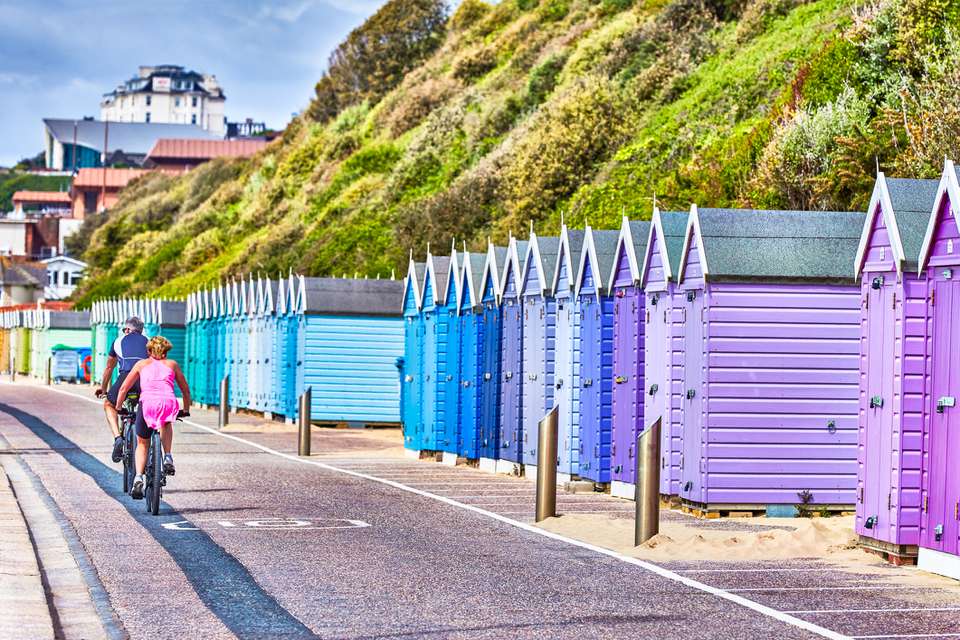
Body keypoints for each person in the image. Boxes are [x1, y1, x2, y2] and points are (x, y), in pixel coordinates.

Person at [115, 336, 191, 499]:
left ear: (148, 351)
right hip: (167, 402)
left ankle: (138, 477)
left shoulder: (141, 364)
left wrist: (119, 407)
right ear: (166, 351)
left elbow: (123, 389)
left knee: (142, 443)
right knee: (166, 423)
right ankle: (168, 456)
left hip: (147, 403)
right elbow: (185, 390)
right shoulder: (172, 365)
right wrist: (186, 409)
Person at [95, 316, 149, 463]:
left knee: (109, 405)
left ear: (127, 329)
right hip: (145, 379)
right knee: (149, 407)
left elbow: (109, 368)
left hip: (126, 378)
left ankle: (118, 438)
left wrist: (103, 389)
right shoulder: (149, 342)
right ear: (141, 331)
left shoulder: (118, 341)